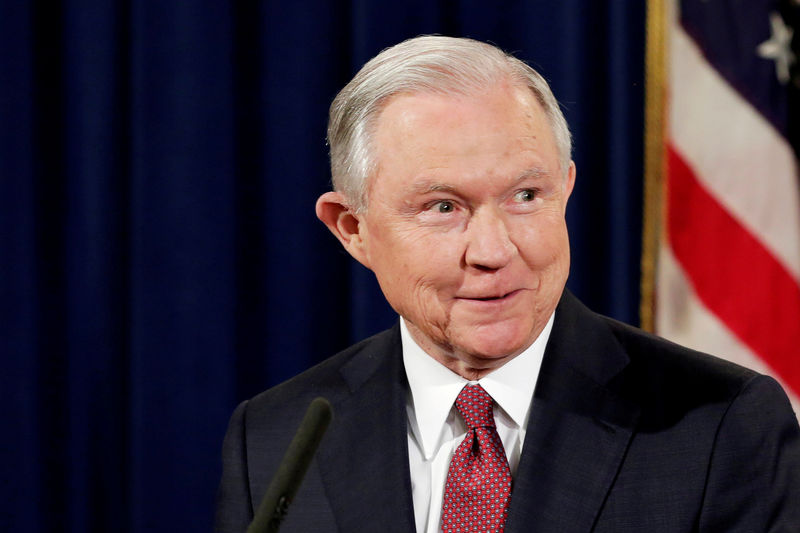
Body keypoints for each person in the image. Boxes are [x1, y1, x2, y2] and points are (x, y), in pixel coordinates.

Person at [215, 36, 800, 532]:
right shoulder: (273, 438)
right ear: (353, 230)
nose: (494, 251)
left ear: (566, 189)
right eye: (443, 207)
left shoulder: (720, 426)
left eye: (525, 196)